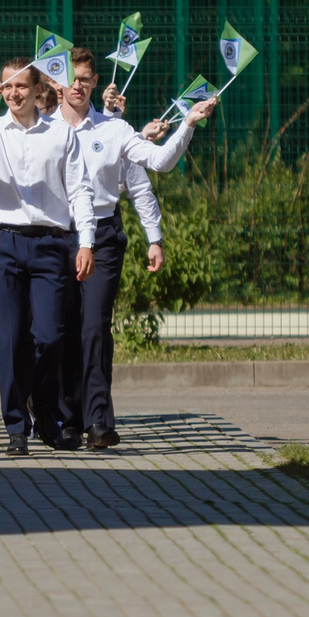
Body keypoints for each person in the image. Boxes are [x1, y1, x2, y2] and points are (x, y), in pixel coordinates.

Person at [53, 50, 218, 448]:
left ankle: (97, 421)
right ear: (56, 82)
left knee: (94, 327)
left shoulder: (115, 130)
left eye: (86, 79)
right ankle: (64, 416)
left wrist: (188, 125)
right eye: (71, 78)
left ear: (94, 83)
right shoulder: (40, 129)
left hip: (104, 235)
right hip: (56, 234)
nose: (78, 85)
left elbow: (158, 163)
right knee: (58, 329)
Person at [0, 59, 94, 455]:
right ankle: (16, 425)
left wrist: (86, 241)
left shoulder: (61, 133)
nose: (14, 94)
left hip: (51, 243)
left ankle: (44, 409)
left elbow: (80, 189)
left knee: (50, 336)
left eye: (21, 87)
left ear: (36, 89)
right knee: (11, 339)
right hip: (5, 243)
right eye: (6, 87)